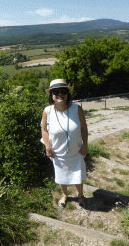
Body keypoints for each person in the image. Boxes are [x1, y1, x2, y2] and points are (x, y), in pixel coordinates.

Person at [41, 79, 88, 209]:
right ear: (51, 95)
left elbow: (84, 128)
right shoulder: (47, 111)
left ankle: (80, 195)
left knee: (77, 175)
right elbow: (44, 130)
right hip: (57, 153)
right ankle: (64, 195)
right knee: (61, 176)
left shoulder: (77, 109)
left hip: (76, 151)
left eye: (63, 91)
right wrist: (48, 147)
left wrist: (85, 145)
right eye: (56, 92)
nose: (60, 94)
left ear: (68, 94)